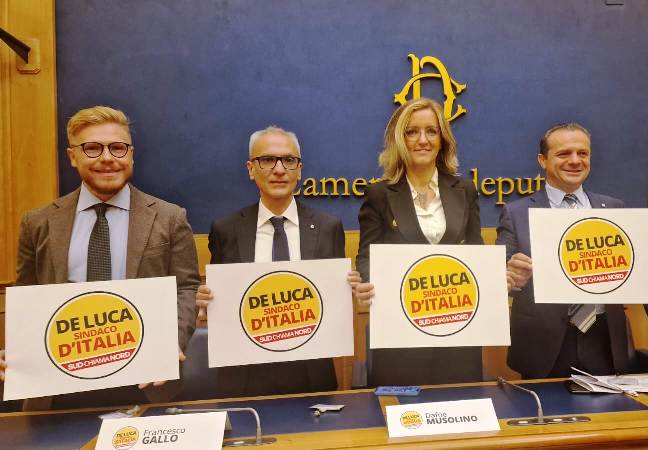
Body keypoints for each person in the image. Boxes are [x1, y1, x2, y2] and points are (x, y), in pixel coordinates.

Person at [0, 106, 199, 409]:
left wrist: (172, 340)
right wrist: (18, 350)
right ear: (72, 156)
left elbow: (186, 288)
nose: (107, 158)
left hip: (146, 381)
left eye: (117, 148)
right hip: (58, 384)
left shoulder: (170, 218)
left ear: (131, 155)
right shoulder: (37, 223)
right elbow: (27, 295)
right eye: (92, 148)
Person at [497, 122, 648, 379]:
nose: (575, 161)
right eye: (564, 153)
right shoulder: (516, 213)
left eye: (582, 153)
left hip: (606, 339)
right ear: (543, 160)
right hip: (543, 344)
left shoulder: (614, 209)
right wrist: (513, 277)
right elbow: (501, 280)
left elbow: (632, 273)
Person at [195, 126, 360, 396]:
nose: (279, 169)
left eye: (288, 160)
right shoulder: (226, 230)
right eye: (268, 160)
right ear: (251, 169)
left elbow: (333, 304)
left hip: (311, 373)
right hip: (244, 375)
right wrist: (205, 300)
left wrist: (348, 289)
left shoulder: (327, 227)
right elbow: (219, 300)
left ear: (299, 170)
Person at [354, 97, 484, 386]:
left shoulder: (465, 190)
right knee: (402, 410)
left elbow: (477, 253)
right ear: (400, 140)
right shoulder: (379, 194)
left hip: (458, 332)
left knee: (460, 405)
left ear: (442, 140)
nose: (422, 140)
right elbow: (367, 257)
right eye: (412, 132)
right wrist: (366, 281)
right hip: (400, 337)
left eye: (431, 131)